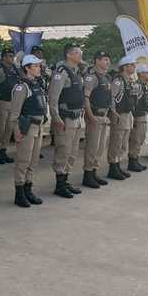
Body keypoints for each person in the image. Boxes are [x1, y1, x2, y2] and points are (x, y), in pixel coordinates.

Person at [8, 55, 47, 207]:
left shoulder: (37, 84)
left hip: (38, 126)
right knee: (23, 161)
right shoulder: (22, 87)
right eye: (35, 66)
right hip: (27, 127)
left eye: (39, 66)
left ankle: (28, 190)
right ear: (27, 68)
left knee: (33, 160)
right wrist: (16, 131)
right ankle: (19, 193)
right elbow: (15, 113)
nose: (39, 68)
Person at [48, 43, 84, 198]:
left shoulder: (76, 72)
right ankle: (60, 185)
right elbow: (53, 98)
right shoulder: (61, 72)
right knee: (63, 151)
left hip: (76, 118)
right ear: (69, 55)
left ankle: (66, 180)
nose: (80, 55)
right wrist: (56, 118)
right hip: (65, 118)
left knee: (73, 152)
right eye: (77, 52)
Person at [82, 51, 112, 189]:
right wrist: (90, 116)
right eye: (105, 59)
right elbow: (86, 98)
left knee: (100, 148)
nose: (108, 62)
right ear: (97, 61)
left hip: (104, 116)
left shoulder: (107, 77)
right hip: (94, 116)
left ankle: (94, 172)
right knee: (92, 147)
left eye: (108, 60)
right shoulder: (91, 77)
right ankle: (88, 174)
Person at [107, 55, 136, 180]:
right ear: (125, 66)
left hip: (127, 114)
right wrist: (114, 114)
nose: (134, 67)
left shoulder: (128, 80)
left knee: (124, 142)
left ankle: (118, 165)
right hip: (119, 115)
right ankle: (113, 167)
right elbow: (111, 98)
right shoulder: (118, 81)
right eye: (132, 65)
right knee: (116, 142)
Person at [0, 48, 19, 164]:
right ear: (4, 57)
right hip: (1, 102)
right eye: (9, 56)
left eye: (13, 56)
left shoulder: (15, 69)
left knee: (9, 129)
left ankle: (3, 150)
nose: (12, 58)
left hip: (12, 102)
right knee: (0, 129)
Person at [128, 63, 148, 172]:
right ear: (141, 74)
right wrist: (133, 118)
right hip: (138, 116)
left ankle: (135, 159)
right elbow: (133, 103)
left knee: (141, 139)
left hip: (143, 115)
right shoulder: (137, 86)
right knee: (136, 140)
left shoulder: (144, 85)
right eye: (147, 73)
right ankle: (132, 162)